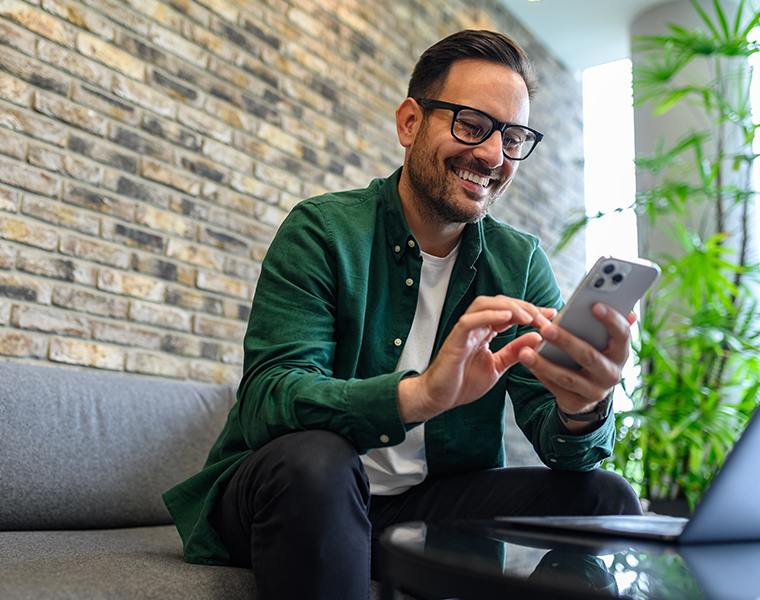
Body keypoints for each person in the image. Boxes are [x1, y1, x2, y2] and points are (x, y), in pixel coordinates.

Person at [163, 29, 642, 600]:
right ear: (410, 123)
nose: (493, 155)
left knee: (605, 499)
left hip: (425, 503)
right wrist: (419, 396)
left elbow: (560, 443)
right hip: (295, 492)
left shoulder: (520, 262)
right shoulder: (323, 231)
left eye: (513, 137)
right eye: (471, 124)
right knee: (320, 461)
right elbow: (271, 395)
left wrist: (581, 407)